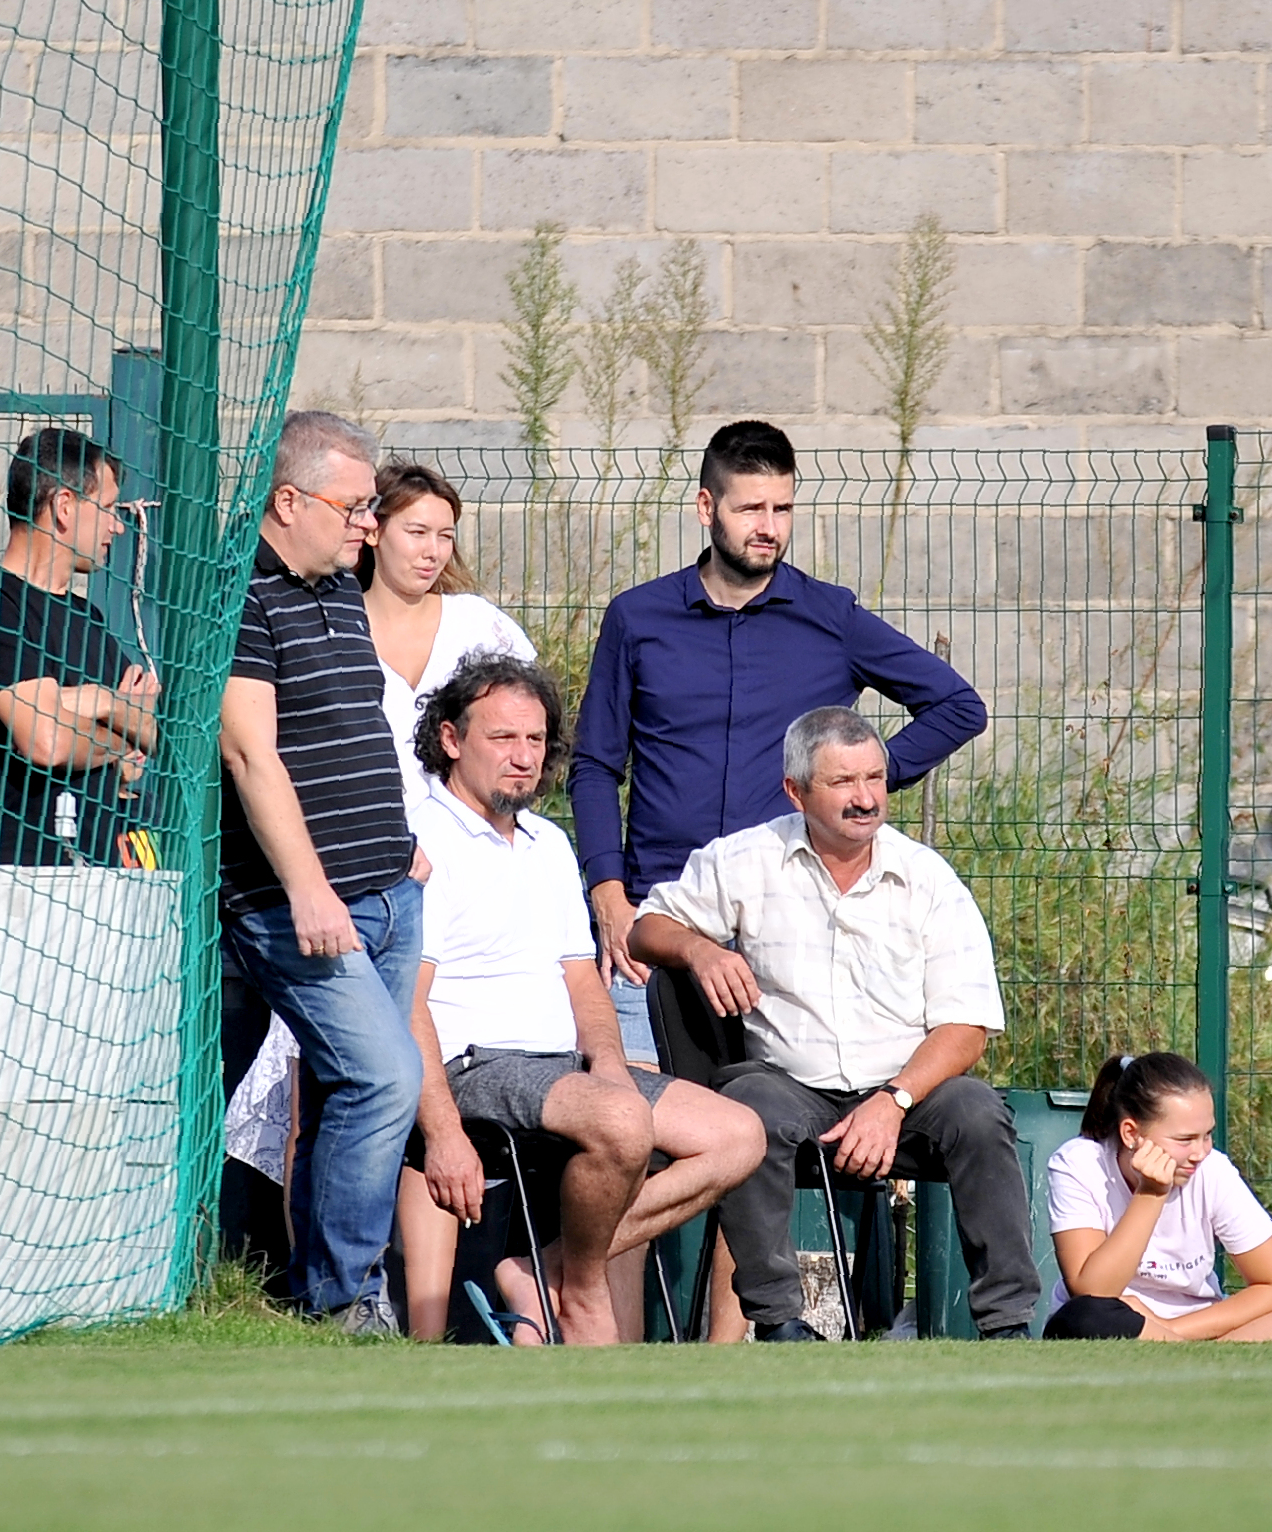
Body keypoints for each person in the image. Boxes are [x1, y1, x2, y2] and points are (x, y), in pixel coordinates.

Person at [572, 419, 985, 1082]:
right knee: (641, 1113)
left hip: (788, 934)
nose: (768, 527)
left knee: (777, 1118)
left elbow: (958, 707)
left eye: (782, 509)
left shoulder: (830, 618)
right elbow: (595, 765)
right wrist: (609, 896)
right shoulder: (638, 618)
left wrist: (856, 784)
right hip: (660, 923)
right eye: (750, 509)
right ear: (706, 507)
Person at [629, 705, 1040, 1342]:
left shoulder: (929, 879)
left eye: (874, 778)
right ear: (796, 791)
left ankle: (1008, 1325)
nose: (866, 798)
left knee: (979, 1112)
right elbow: (646, 928)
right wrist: (699, 949)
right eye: (843, 781)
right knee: (745, 1109)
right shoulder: (746, 859)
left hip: (908, 1094)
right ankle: (778, 1323)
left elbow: (967, 1026)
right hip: (788, 1085)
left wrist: (894, 1101)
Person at [401, 652, 763, 1345]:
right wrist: (443, 1132)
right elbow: (407, 1002)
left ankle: (551, 1268)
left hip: (564, 1069)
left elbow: (582, 980)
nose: (523, 757)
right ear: (451, 739)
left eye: (535, 740)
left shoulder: (548, 843)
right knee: (623, 1124)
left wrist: (611, 1066)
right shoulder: (423, 839)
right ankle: (585, 1289)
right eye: (503, 738)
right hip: (474, 1063)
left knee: (739, 1135)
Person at [0, 427, 157, 1319]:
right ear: (62, 505)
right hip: (2, 891)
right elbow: (45, 741)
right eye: (109, 509)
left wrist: (96, 713)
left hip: (91, 893)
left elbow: (141, 745)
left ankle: (57, 1288)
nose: (117, 529)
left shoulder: (90, 625)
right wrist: (108, 712)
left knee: (80, 1099)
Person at [219, 410, 429, 1333]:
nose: (369, 525)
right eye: (354, 507)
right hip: (299, 903)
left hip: (390, 887)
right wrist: (309, 888)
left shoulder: (338, 585)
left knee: (353, 1089)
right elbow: (249, 754)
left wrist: (401, 843)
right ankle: (346, 1296)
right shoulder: (240, 595)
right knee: (385, 1079)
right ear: (287, 500)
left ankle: (318, 1293)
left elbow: (354, 727)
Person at [1043, 1052, 1272, 1341]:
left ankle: (1194, 1355)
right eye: (1185, 1139)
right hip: (1120, 1321)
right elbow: (1094, 1290)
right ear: (1131, 1134)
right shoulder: (1079, 1163)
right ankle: (1189, 1355)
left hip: (1198, 1327)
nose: (1200, 1152)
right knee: (1085, 1316)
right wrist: (1150, 1194)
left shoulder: (1212, 1168)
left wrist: (1171, 1331)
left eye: (1207, 1135)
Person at [360, 459, 535, 809]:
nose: (433, 552)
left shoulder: (477, 624)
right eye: (417, 533)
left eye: (445, 536)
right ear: (373, 531)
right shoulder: (338, 626)